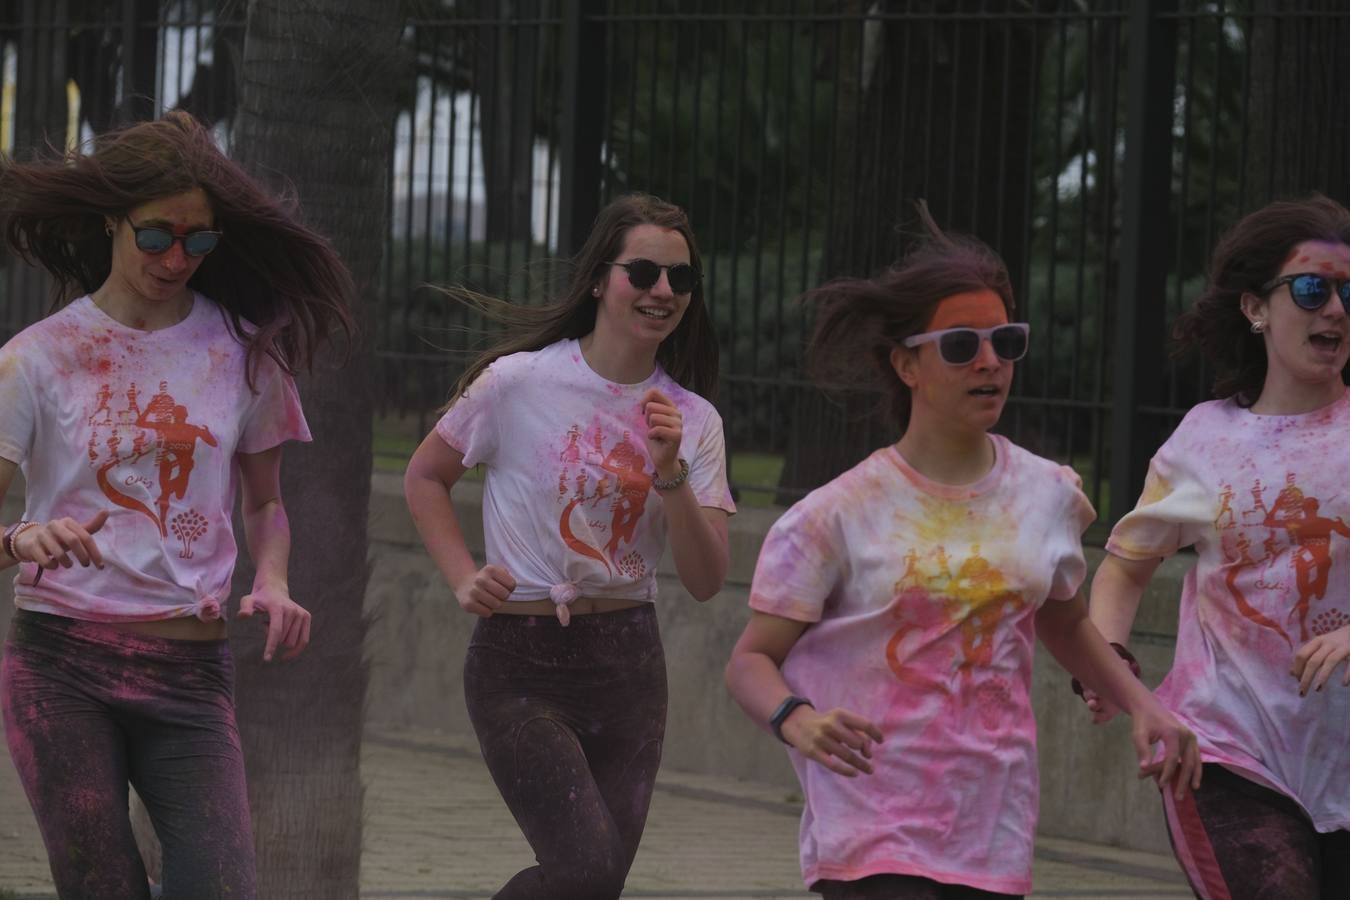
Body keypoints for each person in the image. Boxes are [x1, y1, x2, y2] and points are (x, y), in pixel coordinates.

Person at [724, 206, 1199, 900]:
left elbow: (1063, 624)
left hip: (993, 827)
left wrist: (1142, 702)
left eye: (1006, 342)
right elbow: (749, 660)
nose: (989, 363)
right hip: (870, 829)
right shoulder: (836, 514)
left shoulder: (1047, 495)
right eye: (960, 346)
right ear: (906, 363)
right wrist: (797, 717)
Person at [0, 110, 354, 899]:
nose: (177, 258)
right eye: (157, 236)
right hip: (60, 666)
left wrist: (274, 580)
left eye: (199, 241)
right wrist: (25, 536)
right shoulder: (37, 357)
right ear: (110, 223)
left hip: (191, 672)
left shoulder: (242, 352)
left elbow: (264, 505)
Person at [403, 192, 735, 898]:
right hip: (518, 662)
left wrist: (670, 470)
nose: (663, 291)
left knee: (594, 883)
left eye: (682, 278)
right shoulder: (517, 383)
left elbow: (707, 580)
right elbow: (426, 477)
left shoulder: (695, 421)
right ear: (598, 280)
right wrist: (463, 576)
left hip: (628, 666)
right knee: (584, 868)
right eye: (643, 272)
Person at [1081, 195, 1350, 899]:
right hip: (1227, 753)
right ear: (1255, 308)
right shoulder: (1203, 442)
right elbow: (1125, 566)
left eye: (1349, 292)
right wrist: (1108, 662)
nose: (1336, 310)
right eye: (1312, 290)